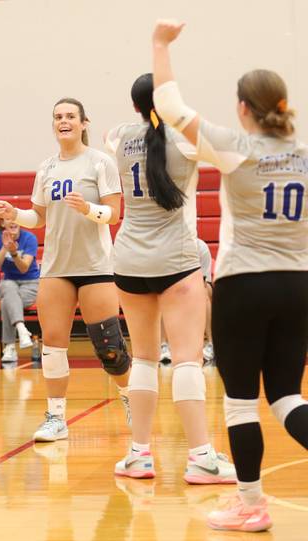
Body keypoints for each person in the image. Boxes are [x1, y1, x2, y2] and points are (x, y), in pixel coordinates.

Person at [152, 19, 308, 531]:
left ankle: (251, 505)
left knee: (241, 401)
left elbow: (170, 108)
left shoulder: (235, 146)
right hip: (298, 284)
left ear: (243, 108)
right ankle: (249, 502)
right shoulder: (304, 159)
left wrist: (160, 43)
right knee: (287, 397)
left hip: (244, 284)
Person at [105, 72, 235, 485]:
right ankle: (200, 457)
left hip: (127, 259)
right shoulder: (185, 140)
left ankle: (139, 455)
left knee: (143, 357)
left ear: (135, 105)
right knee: (186, 358)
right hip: (176, 258)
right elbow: (226, 154)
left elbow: (123, 133)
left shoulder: (117, 136)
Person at [0, 97, 132, 441]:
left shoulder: (100, 163)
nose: (64, 121)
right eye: (58, 117)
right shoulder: (46, 168)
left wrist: (88, 208)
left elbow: (114, 213)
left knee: (109, 348)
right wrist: (14, 215)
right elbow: (38, 219)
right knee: (53, 346)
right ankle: (56, 417)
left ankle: (130, 397)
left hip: (96, 266)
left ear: (84, 123)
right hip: (56, 268)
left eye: (71, 116)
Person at [0, 219, 39, 362]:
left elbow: (24, 268)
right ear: (2, 224)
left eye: (15, 219)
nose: (12, 222)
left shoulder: (29, 238)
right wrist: (5, 248)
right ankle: (22, 329)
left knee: (7, 302)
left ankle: (10, 346)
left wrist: (14, 252)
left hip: (31, 283)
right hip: (9, 282)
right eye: (8, 220)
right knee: (8, 288)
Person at [196, 237, 214, 364]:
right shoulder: (168, 246)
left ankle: (212, 343)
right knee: (163, 291)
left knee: (205, 291)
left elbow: (204, 282)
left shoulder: (200, 247)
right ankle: (163, 345)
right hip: (174, 292)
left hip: (195, 289)